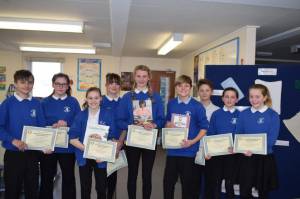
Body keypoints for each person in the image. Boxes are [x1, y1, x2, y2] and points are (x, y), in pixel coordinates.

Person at [117, 65, 165, 199]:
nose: (141, 79)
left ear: (149, 77)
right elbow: (119, 120)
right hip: (132, 140)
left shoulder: (155, 97)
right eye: (139, 76)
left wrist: (154, 124)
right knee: (132, 174)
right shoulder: (127, 97)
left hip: (149, 140)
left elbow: (162, 119)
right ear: (134, 77)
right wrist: (131, 125)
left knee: (147, 174)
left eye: (144, 76)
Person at [0, 70, 46, 199]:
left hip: (32, 154)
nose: (26, 85)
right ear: (15, 84)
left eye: (30, 82)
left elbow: (42, 128)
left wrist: (46, 144)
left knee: (32, 190)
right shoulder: (7, 103)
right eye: (22, 82)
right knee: (12, 190)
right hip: (13, 154)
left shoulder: (37, 103)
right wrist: (13, 140)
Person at [163, 75, 208, 199]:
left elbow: (204, 128)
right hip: (172, 150)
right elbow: (167, 122)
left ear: (190, 88)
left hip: (189, 151)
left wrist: (192, 142)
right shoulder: (171, 103)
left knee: (187, 186)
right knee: (168, 184)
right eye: (180, 85)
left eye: (186, 86)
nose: (183, 88)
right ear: (176, 88)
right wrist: (168, 125)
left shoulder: (197, 106)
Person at [69, 87, 118, 199]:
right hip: (84, 154)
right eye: (90, 98)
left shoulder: (108, 114)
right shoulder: (80, 115)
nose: (93, 101)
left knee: (101, 187)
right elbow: (72, 139)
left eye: (96, 98)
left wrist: (103, 154)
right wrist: (89, 151)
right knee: (85, 187)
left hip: (101, 157)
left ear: (101, 99)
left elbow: (113, 138)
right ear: (86, 99)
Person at [39, 73, 81, 199]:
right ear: (53, 84)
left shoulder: (73, 102)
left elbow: (79, 122)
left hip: (67, 147)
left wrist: (67, 123)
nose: (61, 87)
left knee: (68, 178)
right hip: (48, 148)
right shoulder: (44, 102)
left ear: (68, 86)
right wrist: (51, 125)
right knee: (46, 178)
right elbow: (39, 123)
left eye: (64, 84)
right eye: (58, 84)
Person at [237, 84, 279, 199]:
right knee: (245, 191)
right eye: (251, 96)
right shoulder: (243, 114)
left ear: (264, 97)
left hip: (264, 158)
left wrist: (254, 149)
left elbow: (271, 140)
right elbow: (238, 134)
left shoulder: (273, 115)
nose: (254, 100)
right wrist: (242, 149)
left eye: (257, 96)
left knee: (263, 192)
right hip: (246, 157)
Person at [204, 87, 240, 199]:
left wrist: (236, 147)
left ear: (237, 100)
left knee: (230, 184)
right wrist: (208, 150)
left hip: (233, 155)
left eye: (232, 97)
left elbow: (242, 135)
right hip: (217, 155)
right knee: (216, 184)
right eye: (227, 97)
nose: (229, 99)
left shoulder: (240, 115)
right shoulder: (216, 114)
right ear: (222, 99)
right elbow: (210, 133)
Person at [194, 78, 220, 198]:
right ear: (198, 92)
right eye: (201, 90)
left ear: (211, 92)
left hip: (210, 151)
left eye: (207, 90)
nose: (204, 93)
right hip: (194, 149)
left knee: (210, 183)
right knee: (194, 183)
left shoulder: (217, 111)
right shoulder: (192, 107)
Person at [101, 73, 122, 199]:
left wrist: (120, 142)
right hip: (102, 143)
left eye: (117, 83)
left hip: (118, 144)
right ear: (106, 85)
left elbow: (128, 123)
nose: (114, 86)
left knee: (113, 173)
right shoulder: (100, 100)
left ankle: (111, 196)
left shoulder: (124, 102)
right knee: (101, 173)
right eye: (111, 83)